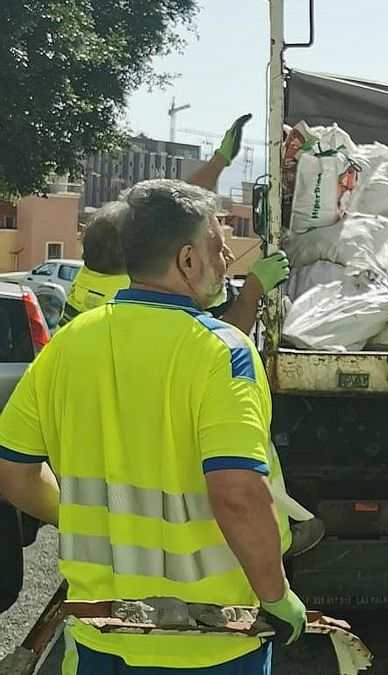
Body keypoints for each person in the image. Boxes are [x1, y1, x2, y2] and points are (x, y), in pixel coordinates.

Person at [0, 180, 306, 672]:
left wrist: (76, 517)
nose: (228, 256)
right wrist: (276, 593)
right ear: (187, 260)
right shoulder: (223, 353)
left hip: (100, 635)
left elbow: (14, 472)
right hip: (213, 641)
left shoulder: (69, 343)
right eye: (217, 245)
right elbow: (237, 493)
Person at [63, 113, 291, 333]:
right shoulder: (150, 305)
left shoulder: (95, 276)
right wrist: (252, 290)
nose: (228, 257)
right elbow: (222, 344)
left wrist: (219, 160)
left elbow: (169, 212)